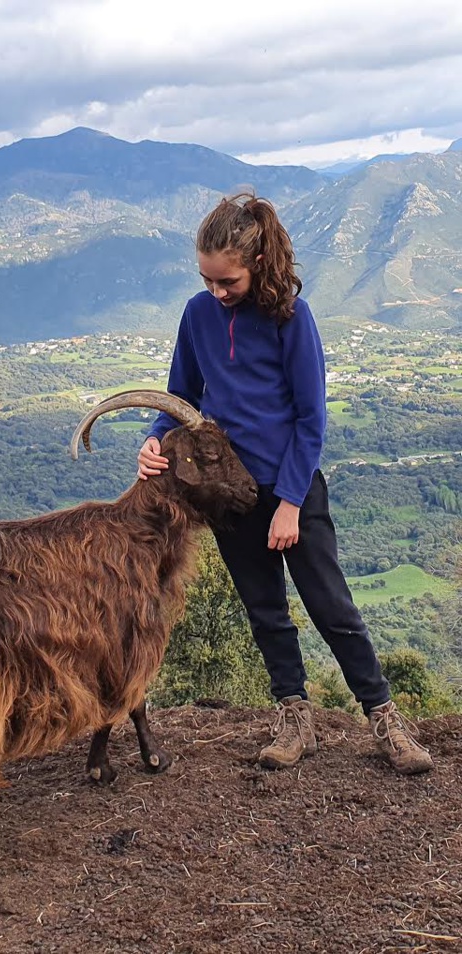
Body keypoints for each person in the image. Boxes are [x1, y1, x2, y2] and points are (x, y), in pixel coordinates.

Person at [137, 193, 433, 775]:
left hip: (289, 487)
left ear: (258, 264)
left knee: (332, 608)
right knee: (264, 609)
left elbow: (310, 419)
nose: (218, 292)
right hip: (227, 493)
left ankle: (385, 719)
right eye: (208, 279)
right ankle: (294, 716)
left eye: (229, 281)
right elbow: (181, 397)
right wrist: (154, 436)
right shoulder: (197, 314)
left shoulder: (292, 319)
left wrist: (291, 504)